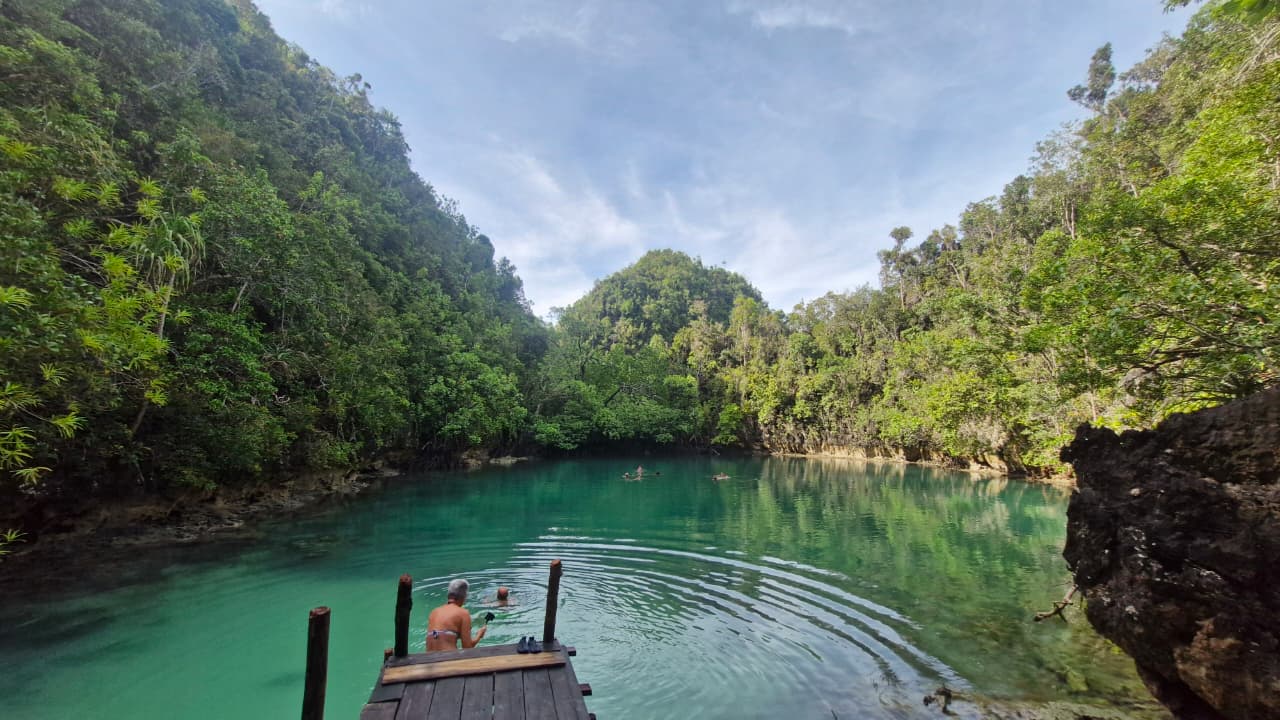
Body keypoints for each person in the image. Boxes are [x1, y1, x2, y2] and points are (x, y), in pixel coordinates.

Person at [426, 578, 487, 651]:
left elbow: (439, 635)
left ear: (448, 595)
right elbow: (467, 647)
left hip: (428, 656)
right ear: (464, 596)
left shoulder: (434, 612)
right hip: (449, 656)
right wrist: (479, 635)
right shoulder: (463, 613)